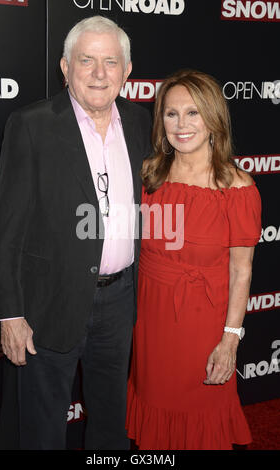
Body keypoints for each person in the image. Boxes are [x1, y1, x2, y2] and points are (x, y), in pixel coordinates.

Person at [0, 16, 151, 450]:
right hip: (47, 305)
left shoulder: (141, 125)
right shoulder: (31, 124)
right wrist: (10, 314)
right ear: (65, 67)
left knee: (110, 426)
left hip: (120, 303)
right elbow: (5, 229)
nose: (100, 73)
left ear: (127, 71)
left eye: (111, 62)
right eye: (87, 60)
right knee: (40, 431)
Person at [126, 69, 262, 450]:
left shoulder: (237, 187)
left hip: (204, 321)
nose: (181, 124)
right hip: (151, 320)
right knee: (154, 413)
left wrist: (230, 340)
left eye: (193, 113)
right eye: (171, 113)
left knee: (201, 417)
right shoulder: (150, 176)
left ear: (213, 118)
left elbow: (241, 271)